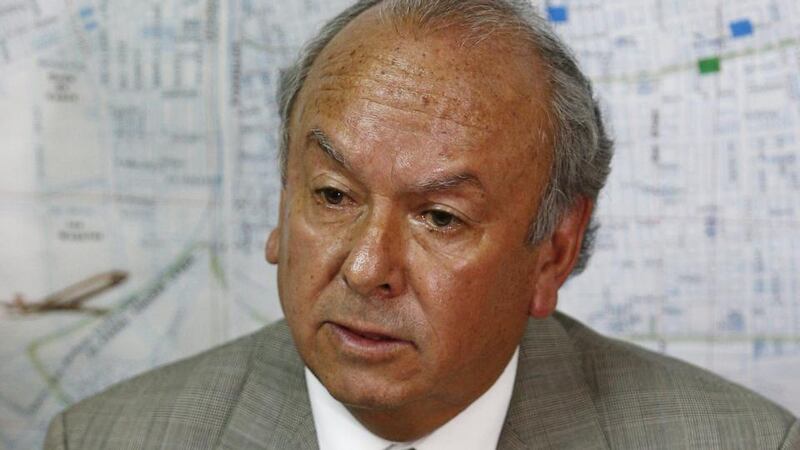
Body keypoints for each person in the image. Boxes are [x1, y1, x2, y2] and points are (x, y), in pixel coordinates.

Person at [45, 0, 799, 449]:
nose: (368, 267)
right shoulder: (108, 438)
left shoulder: (743, 442)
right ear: (283, 201)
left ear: (555, 252)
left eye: (439, 216)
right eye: (333, 196)